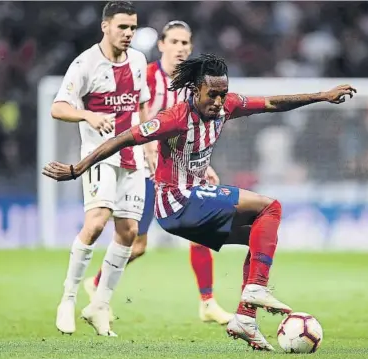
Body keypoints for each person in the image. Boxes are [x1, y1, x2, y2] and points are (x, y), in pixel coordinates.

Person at [43, 54, 357, 350]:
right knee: (271, 207)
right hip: (176, 202)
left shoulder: (227, 105)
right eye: (212, 95)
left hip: (189, 204)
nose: (219, 101)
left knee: (259, 238)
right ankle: (256, 288)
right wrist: (77, 168)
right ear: (196, 90)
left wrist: (322, 95)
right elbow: (124, 137)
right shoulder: (175, 117)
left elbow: (273, 102)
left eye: (223, 94)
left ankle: (245, 317)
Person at [84, 21, 233, 325]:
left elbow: (193, 129)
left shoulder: (194, 84)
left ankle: (207, 301)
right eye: (175, 42)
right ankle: (97, 284)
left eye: (185, 43)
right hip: (142, 166)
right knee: (137, 244)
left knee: (200, 229)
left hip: (176, 169)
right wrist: (147, 149)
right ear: (162, 45)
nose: (181, 48)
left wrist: (205, 165)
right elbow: (131, 117)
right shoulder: (147, 76)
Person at [50, 1, 155, 336]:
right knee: (96, 223)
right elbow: (58, 106)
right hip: (99, 156)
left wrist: (149, 142)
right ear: (105, 26)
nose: (128, 34)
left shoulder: (138, 60)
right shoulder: (85, 63)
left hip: (133, 158)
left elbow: (141, 104)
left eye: (133, 28)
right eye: (122, 27)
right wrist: (88, 115)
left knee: (128, 233)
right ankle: (67, 299)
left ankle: (99, 304)